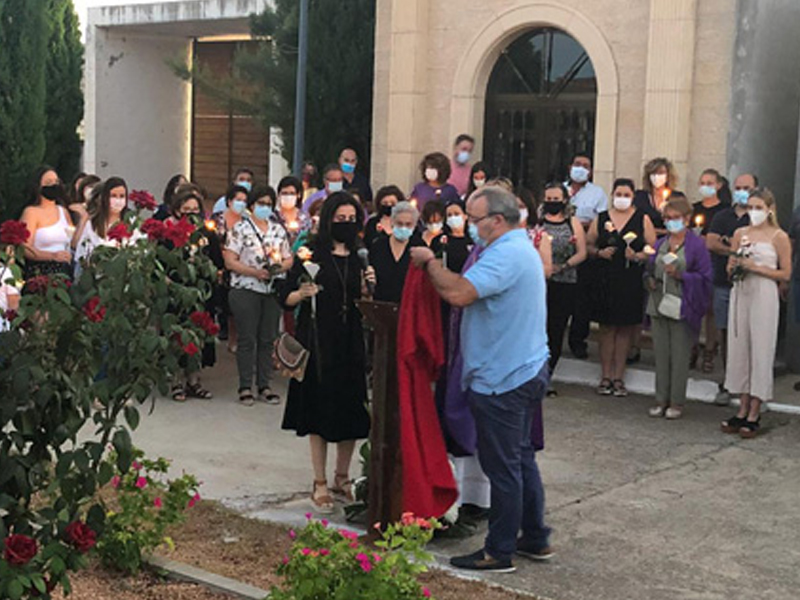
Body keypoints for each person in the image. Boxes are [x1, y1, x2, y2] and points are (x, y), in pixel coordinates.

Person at [410, 185, 552, 573]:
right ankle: (535, 537)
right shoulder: (517, 247)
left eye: (474, 220)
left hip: (503, 377)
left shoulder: (505, 254)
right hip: (524, 365)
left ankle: (499, 550)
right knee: (521, 459)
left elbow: (459, 293)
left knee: (503, 466)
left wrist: (429, 263)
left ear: (497, 220)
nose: (469, 226)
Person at [279, 192, 375, 513]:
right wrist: (301, 293)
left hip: (350, 340)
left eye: (352, 219)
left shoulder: (360, 255)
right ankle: (319, 481)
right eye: (341, 219)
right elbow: (285, 295)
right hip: (319, 339)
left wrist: (368, 286)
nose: (346, 225)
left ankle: (342, 477)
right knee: (319, 410)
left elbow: (367, 301)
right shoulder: (311, 253)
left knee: (350, 408)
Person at [721, 188, 792, 438]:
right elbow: (731, 262)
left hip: (764, 292)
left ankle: (754, 409)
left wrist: (757, 267)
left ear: (769, 209)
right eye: (750, 207)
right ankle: (740, 406)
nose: (753, 212)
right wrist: (734, 265)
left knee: (760, 347)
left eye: (758, 207)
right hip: (742, 291)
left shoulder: (778, 236)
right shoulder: (740, 233)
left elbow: (785, 273)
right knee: (740, 347)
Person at [224, 185, 292, 407]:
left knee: (267, 338)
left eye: (269, 204)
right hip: (246, 288)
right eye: (261, 203)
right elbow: (230, 260)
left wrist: (278, 267)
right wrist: (255, 272)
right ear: (252, 205)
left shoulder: (277, 230)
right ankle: (245, 386)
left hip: (271, 290)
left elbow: (288, 257)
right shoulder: (239, 229)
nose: (265, 208)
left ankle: (265, 385)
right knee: (247, 338)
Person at [587, 178, 656, 397]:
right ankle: (605, 375)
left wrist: (636, 255)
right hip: (605, 278)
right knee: (606, 329)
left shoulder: (641, 219)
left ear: (633, 196)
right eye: (618, 194)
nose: (622, 198)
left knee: (625, 329)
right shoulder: (602, 218)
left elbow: (652, 247)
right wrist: (599, 252)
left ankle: (619, 377)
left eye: (626, 194)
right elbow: (588, 243)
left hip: (629, 278)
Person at [645, 196, 712, 419]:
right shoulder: (660, 243)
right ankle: (660, 399)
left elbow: (705, 276)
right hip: (658, 303)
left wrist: (682, 276)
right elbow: (649, 267)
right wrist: (650, 279)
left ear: (686, 219)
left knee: (679, 355)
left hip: (683, 305)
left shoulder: (696, 245)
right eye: (667, 218)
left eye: (675, 218)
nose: (671, 222)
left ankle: (677, 401)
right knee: (661, 354)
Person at [166, 185, 225, 401]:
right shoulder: (169, 231)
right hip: (177, 290)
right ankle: (175, 382)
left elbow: (218, 260)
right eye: (186, 209)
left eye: (195, 209)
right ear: (177, 210)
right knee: (176, 336)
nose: (191, 214)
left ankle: (194, 380)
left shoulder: (206, 232)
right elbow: (162, 261)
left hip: (201, 292)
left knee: (198, 336)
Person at [706, 173, 756, 405]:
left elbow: (759, 247)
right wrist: (736, 250)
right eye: (738, 187)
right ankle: (728, 380)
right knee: (726, 332)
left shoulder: (759, 218)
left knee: (748, 334)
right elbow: (711, 242)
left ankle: (748, 383)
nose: (742, 191)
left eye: (746, 187)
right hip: (722, 283)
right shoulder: (722, 215)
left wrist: (728, 244)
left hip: (751, 285)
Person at [540, 182, 587, 388]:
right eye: (548, 199)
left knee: (556, 329)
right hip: (541, 282)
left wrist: (564, 265)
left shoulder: (572, 223)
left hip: (565, 281)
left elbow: (582, 252)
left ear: (565, 200)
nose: (552, 203)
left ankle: (548, 374)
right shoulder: (538, 222)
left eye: (555, 199)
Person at [566, 155, 608, 359]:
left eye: (585, 166)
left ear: (591, 171)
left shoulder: (597, 193)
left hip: (584, 252)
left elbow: (600, 222)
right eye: (577, 165)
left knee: (582, 301)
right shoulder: (559, 190)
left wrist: (579, 226)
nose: (580, 169)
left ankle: (578, 340)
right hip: (561, 250)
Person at [690, 168, 727, 373]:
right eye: (702, 182)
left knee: (712, 310)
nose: (705, 186)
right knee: (694, 308)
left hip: (714, 264)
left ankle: (710, 350)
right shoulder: (694, 208)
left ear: (719, 185)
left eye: (709, 182)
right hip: (694, 263)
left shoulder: (724, 211)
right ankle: (692, 347)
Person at [20, 166, 77, 280]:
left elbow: (73, 242)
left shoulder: (63, 211)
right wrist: (52, 256)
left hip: (65, 271)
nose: (54, 186)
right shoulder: (31, 212)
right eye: (49, 182)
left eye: (56, 182)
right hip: (41, 271)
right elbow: (24, 247)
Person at [74, 177, 138, 278]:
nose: (118, 200)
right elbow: (81, 256)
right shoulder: (91, 225)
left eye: (122, 196)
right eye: (113, 196)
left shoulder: (133, 223)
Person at [211, 184, 249, 351]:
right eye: (237, 200)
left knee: (238, 305)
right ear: (229, 201)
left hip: (239, 266)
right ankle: (227, 336)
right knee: (225, 304)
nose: (241, 204)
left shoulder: (248, 221)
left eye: (244, 201)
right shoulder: (217, 219)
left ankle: (238, 338)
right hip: (220, 265)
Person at [370, 201, 423, 303]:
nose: (403, 227)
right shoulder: (378, 246)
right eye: (399, 223)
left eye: (408, 224)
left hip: (409, 306)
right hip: (381, 306)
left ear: (414, 225)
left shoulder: (419, 246)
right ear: (392, 222)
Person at [516, 187, 552, 278]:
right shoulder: (501, 233)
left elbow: (548, 270)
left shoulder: (539, 236)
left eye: (521, 207)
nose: (517, 210)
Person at [432, 200, 472, 274]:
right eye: (449, 215)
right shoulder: (439, 240)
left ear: (465, 216)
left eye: (456, 214)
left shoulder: (473, 240)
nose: (453, 218)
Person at [275, 176, 312, 247]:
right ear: (279, 195)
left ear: (298, 195)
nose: (288, 196)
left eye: (292, 193)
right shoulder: (273, 217)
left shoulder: (305, 218)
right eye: (284, 193)